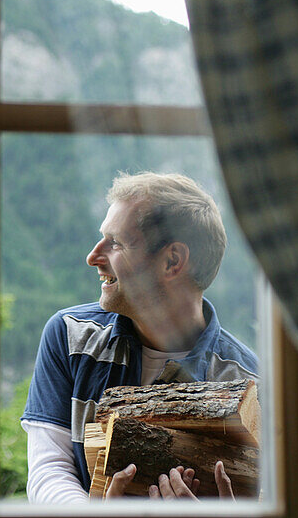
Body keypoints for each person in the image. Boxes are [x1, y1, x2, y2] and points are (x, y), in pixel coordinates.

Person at [21, 172, 259, 502]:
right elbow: (49, 469)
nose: (93, 256)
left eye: (116, 242)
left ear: (172, 260)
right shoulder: (69, 334)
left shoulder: (248, 386)